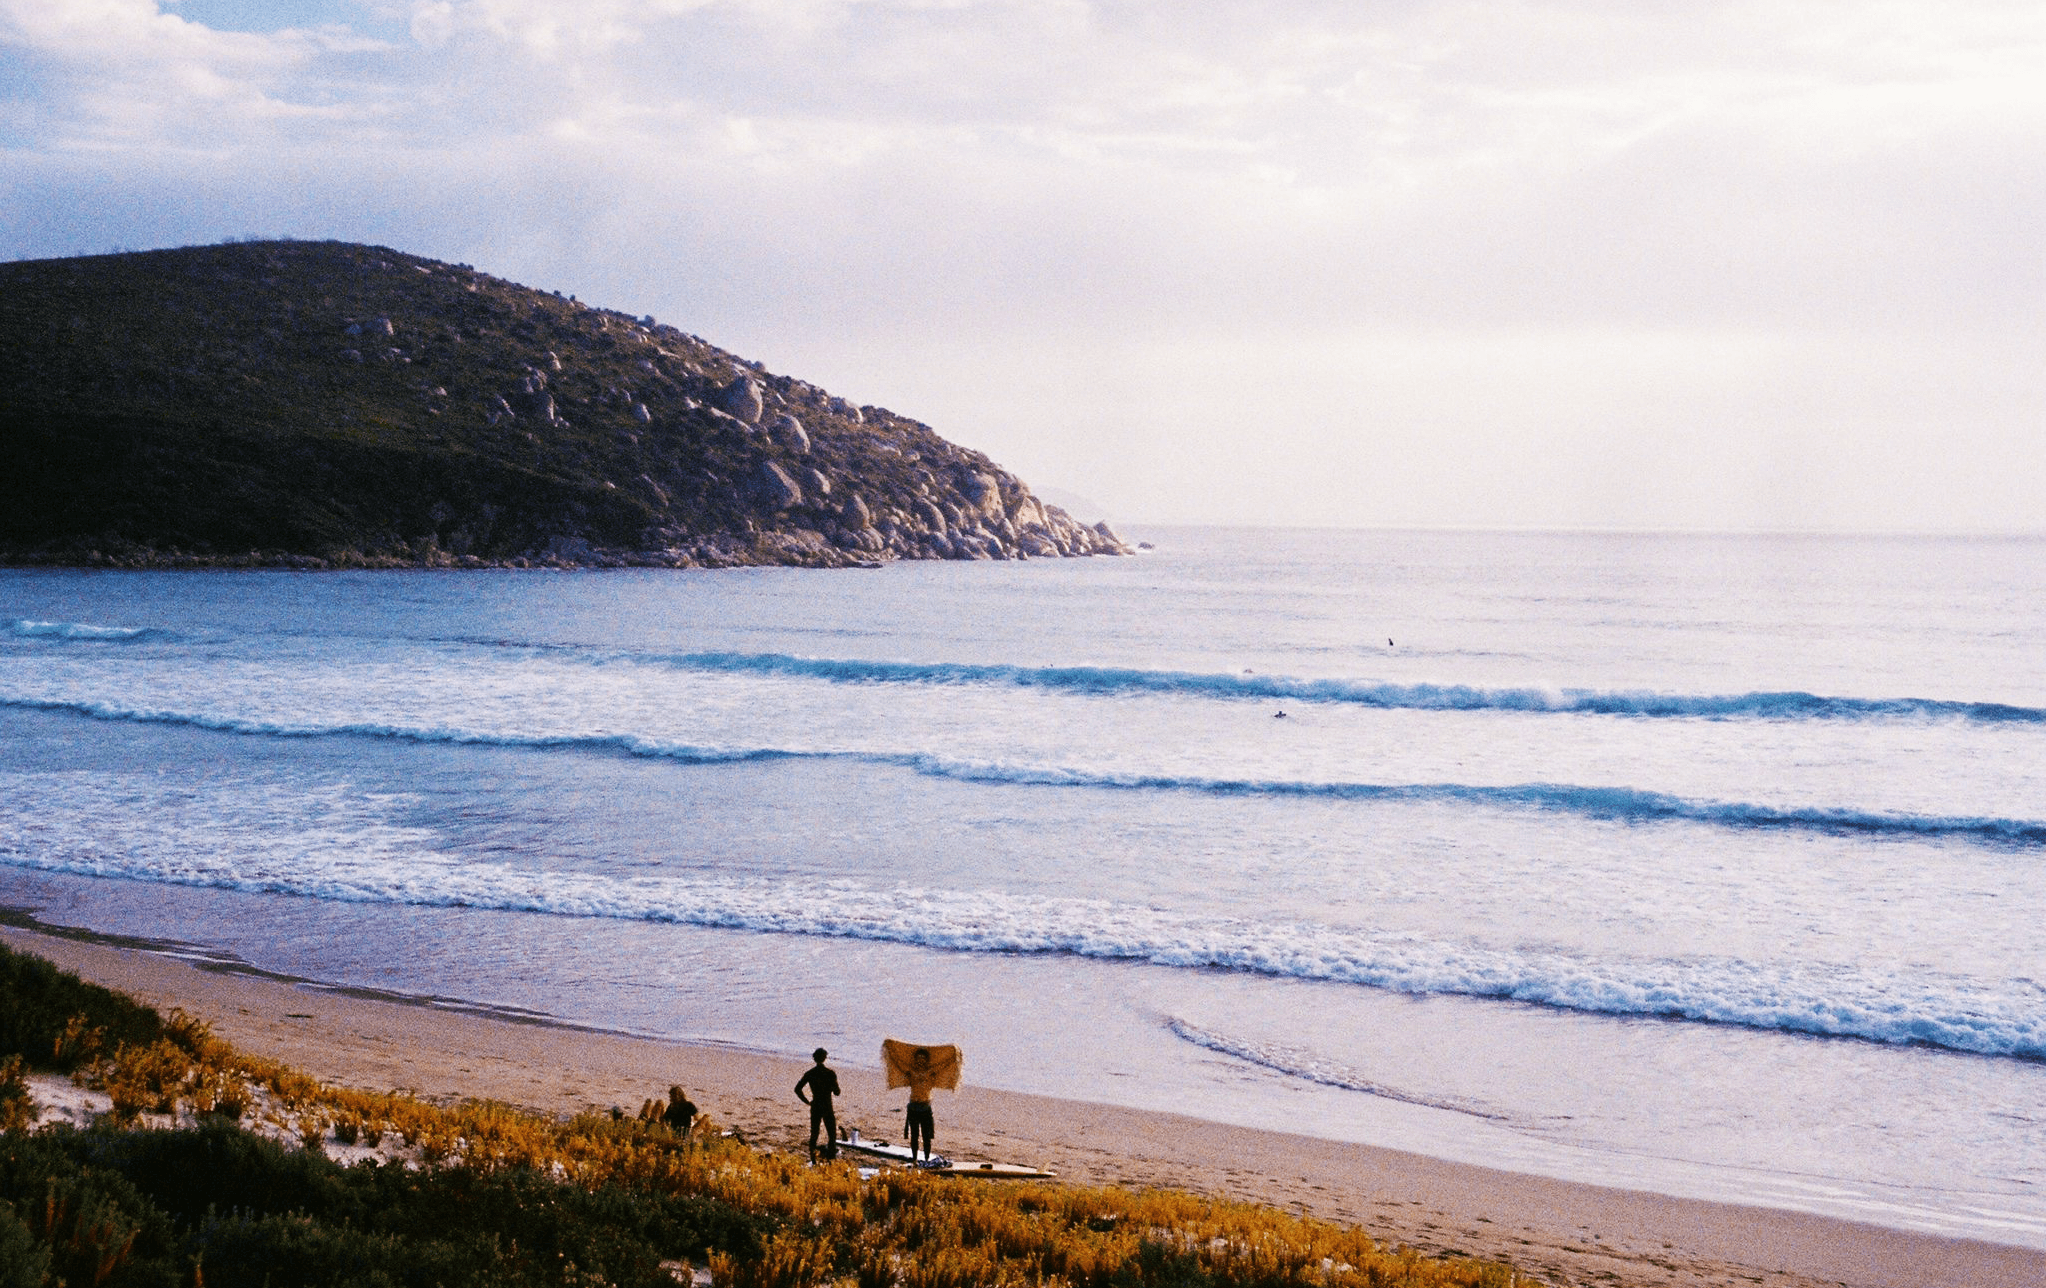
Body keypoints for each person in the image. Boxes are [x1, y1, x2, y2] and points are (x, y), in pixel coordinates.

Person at [794, 1047, 840, 1162]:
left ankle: (813, 1157)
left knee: (814, 1133)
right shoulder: (830, 1073)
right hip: (827, 1106)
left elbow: (797, 1089)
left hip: (815, 1105)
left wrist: (806, 1101)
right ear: (825, 1058)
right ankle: (831, 1157)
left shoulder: (810, 1073)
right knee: (831, 1133)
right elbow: (837, 1092)